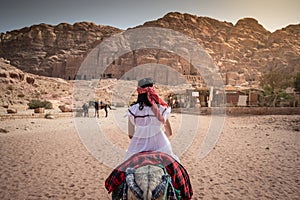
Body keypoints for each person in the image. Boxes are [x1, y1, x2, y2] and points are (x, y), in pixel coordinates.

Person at [125, 77, 180, 162]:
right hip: (161, 147)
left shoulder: (133, 110)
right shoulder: (161, 109)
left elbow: (131, 135)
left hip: (137, 148)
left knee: (125, 171)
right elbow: (169, 132)